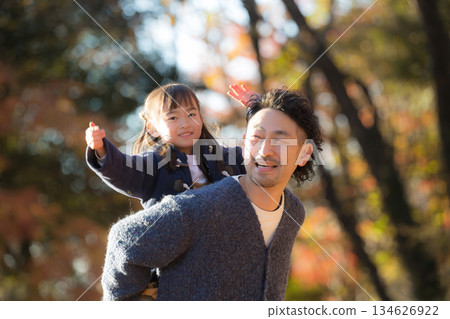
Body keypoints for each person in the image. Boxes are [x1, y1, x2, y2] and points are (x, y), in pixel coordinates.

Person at [101, 87, 323, 300]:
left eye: (280, 140)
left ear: (305, 153)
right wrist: (102, 153)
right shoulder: (194, 205)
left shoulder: (293, 212)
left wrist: (258, 103)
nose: (265, 150)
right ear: (245, 144)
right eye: (257, 138)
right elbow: (124, 241)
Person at [85, 83, 246, 210]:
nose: (185, 124)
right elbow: (123, 171)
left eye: (191, 114)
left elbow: (263, 161)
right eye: (173, 117)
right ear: (153, 129)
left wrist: (257, 110)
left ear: (201, 118)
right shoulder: (153, 164)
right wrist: (101, 149)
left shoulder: (227, 157)